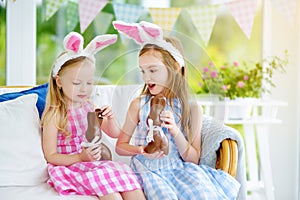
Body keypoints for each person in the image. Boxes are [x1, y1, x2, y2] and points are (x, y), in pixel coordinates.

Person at [113, 20, 240, 199]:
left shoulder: (191, 108)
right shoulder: (139, 104)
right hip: (148, 171)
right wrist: (140, 149)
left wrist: (174, 130)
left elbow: (193, 158)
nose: (146, 77)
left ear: (174, 67)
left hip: (179, 169)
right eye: (142, 71)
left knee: (203, 193)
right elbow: (120, 146)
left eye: (153, 70)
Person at [41, 32, 145, 200]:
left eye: (89, 83)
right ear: (59, 82)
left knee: (131, 186)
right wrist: (80, 157)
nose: (84, 89)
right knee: (112, 194)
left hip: (95, 164)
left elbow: (115, 133)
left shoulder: (90, 107)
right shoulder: (55, 114)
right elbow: (50, 155)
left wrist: (110, 118)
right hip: (73, 166)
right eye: (77, 83)